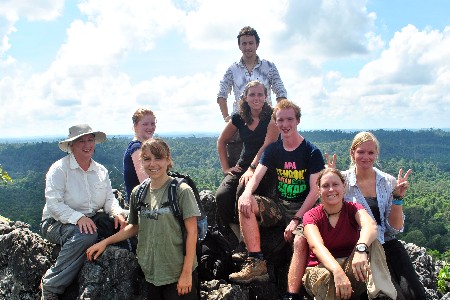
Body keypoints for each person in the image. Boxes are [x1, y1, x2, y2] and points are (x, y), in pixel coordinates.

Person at [87, 138, 201, 300]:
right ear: (141, 161)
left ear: (168, 160)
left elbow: (192, 231)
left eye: (158, 158)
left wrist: (187, 273)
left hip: (177, 274)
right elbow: (134, 226)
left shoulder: (181, 191)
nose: (152, 164)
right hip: (150, 273)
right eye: (147, 159)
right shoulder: (138, 193)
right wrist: (105, 242)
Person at [228, 100, 325, 288]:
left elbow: (315, 191)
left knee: (299, 241)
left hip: (304, 210)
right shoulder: (274, 149)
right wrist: (247, 193)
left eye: (290, 119)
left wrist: (296, 219)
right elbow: (256, 177)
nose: (285, 124)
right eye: (280, 120)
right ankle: (256, 263)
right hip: (280, 205)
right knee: (246, 203)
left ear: (298, 121)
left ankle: (295, 290)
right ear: (276, 122)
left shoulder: (311, 152)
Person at [335, 131, 426, 299]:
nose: (365, 157)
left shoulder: (388, 181)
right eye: (360, 152)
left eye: (370, 152)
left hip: (388, 243)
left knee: (415, 293)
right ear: (352, 153)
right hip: (361, 246)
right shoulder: (342, 181)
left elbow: (394, 229)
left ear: (376, 154)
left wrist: (397, 198)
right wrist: (332, 185)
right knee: (391, 295)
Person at [40, 124, 126, 300]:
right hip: (56, 223)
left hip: (92, 219)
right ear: (71, 145)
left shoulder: (100, 171)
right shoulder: (59, 169)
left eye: (90, 140)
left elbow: (110, 200)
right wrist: (78, 218)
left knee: (129, 224)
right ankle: (51, 285)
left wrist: (117, 212)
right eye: (81, 141)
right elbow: (54, 204)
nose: (87, 145)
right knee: (86, 235)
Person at [302, 168, 396, 300]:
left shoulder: (353, 209)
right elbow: (316, 246)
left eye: (335, 184)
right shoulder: (311, 216)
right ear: (318, 189)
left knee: (372, 242)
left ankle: (381, 295)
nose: (331, 190)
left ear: (344, 186)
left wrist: (361, 249)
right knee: (327, 277)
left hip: (350, 268)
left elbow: (370, 226)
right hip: (321, 270)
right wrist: (337, 272)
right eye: (325, 186)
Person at [215, 80, 279, 241]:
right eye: (252, 94)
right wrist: (225, 168)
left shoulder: (272, 117)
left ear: (265, 97)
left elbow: (267, 146)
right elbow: (222, 141)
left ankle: (246, 241)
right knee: (222, 195)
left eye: (260, 94)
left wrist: (252, 168)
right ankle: (235, 234)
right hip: (243, 165)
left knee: (242, 190)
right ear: (245, 97)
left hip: (265, 165)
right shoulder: (239, 117)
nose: (256, 98)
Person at [217, 25, 287, 167]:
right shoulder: (232, 70)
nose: (248, 47)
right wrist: (227, 118)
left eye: (251, 43)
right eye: (244, 43)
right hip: (240, 122)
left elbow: (281, 93)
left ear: (257, 44)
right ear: (239, 46)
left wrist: (278, 117)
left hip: (265, 121)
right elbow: (221, 95)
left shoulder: (269, 67)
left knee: (268, 163)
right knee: (237, 165)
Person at [123, 108, 156, 204]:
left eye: (152, 123)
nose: (150, 127)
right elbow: (145, 182)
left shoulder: (145, 146)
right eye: (145, 124)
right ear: (135, 126)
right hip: (139, 204)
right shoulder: (136, 148)